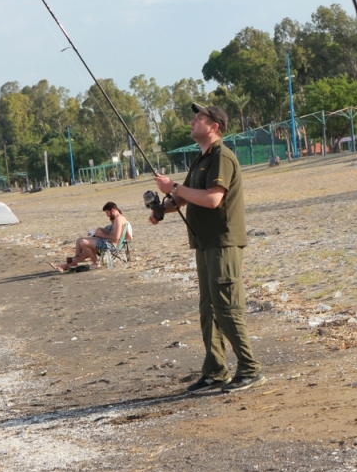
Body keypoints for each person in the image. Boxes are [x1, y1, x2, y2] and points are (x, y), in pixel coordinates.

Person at [151, 103, 264, 394]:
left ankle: (250, 368)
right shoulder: (201, 158)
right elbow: (187, 197)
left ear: (214, 126)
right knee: (208, 309)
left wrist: (173, 188)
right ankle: (216, 371)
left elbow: (213, 199)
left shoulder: (222, 157)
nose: (192, 121)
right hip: (204, 243)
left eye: (199, 117)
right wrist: (162, 208)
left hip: (223, 241)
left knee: (226, 308)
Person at [51, 202, 128, 272]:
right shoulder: (117, 219)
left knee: (83, 242)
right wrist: (101, 230)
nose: (107, 215)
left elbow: (116, 237)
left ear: (112, 210)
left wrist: (102, 234)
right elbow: (112, 233)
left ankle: (96, 262)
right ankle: (70, 264)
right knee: (79, 240)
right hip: (106, 241)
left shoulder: (118, 219)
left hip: (111, 245)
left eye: (107, 212)